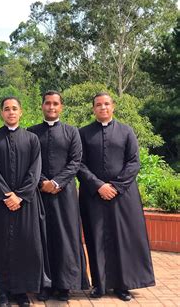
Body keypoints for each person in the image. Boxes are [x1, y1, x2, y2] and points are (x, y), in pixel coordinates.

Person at [78, 92, 155, 301]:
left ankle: (123, 285)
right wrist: (98, 185)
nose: (102, 108)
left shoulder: (126, 131)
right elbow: (79, 163)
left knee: (122, 239)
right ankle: (99, 285)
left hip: (123, 196)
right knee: (96, 239)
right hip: (93, 196)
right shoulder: (83, 133)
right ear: (93, 109)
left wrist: (115, 186)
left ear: (113, 107)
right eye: (98, 105)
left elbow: (134, 162)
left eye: (106, 104)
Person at [0, 97, 50, 307]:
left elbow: (35, 170)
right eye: (6, 109)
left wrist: (19, 195)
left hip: (26, 202)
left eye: (14, 109)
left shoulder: (31, 139)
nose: (10, 112)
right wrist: (6, 195)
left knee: (25, 245)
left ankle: (21, 292)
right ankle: (3, 291)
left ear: (21, 112)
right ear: (1, 113)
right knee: (2, 243)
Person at [28, 91, 89, 301]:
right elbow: (31, 162)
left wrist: (56, 182)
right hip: (40, 192)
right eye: (47, 103)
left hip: (65, 194)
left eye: (55, 104)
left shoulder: (73, 132)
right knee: (42, 238)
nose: (51, 107)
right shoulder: (32, 132)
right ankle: (44, 284)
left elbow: (75, 161)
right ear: (42, 106)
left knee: (66, 238)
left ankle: (65, 285)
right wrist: (42, 181)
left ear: (61, 107)